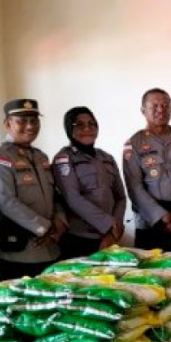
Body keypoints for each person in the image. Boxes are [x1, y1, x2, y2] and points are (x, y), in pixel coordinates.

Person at [0, 99, 66, 279]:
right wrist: (45, 227)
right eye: (22, 121)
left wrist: (60, 222)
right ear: (7, 124)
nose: (30, 126)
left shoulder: (41, 156)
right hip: (20, 252)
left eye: (34, 120)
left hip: (51, 248)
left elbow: (55, 195)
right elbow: (6, 201)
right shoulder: (0, 156)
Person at [122, 88, 171, 251]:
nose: (161, 110)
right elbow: (134, 187)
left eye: (165, 105)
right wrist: (161, 216)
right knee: (151, 266)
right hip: (150, 221)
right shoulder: (134, 143)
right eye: (155, 106)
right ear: (143, 110)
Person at [52, 107, 126, 260]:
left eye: (92, 124)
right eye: (79, 125)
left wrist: (115, 227)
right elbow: (73, 198)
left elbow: (120, 197)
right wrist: (109, 225)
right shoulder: (64, 158)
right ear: (69, 129)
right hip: (79, 238)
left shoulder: (107, 158)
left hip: (109, 236)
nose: (87, 128)